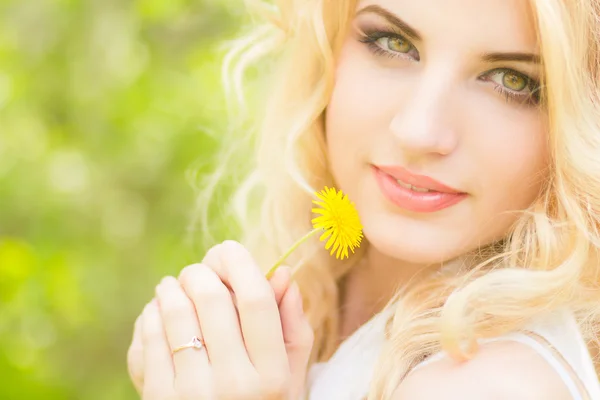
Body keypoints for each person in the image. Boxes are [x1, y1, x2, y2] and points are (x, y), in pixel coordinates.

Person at [126, 0, 600, 398]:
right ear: (328, 48)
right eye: (394, 43)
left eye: (511, 80)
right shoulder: (317, 292)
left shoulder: (491, 382)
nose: (418, 131)